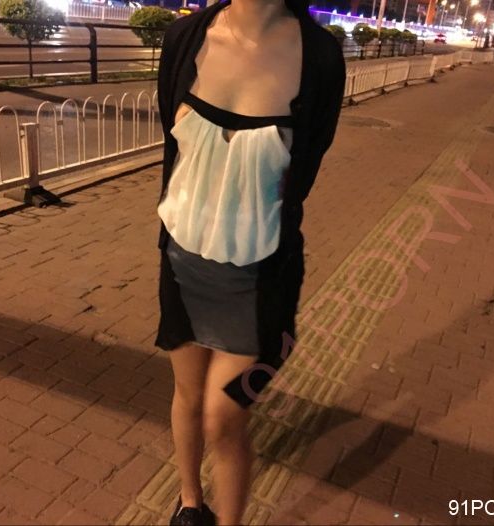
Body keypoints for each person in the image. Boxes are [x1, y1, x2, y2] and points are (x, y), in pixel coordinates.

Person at [154, 0, 346, 524]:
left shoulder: (319, 57)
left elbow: (305, 172)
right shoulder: (185, 39)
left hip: (260, 281)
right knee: (188, 395)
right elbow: (175, 155)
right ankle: (189, 504)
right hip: (182, 262)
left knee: (223, 415)